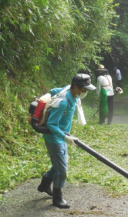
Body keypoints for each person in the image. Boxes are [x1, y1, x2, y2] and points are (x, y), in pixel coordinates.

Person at [36, 73, 95, 209]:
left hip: (62, 136)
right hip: (55, 138)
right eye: (85, 89)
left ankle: (44, 184)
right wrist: (65, 137)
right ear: (76, 87)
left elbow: (53, 91)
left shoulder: (71, 93)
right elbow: (51, 125)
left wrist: (65, 136)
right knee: (62, 168)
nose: (86, 92)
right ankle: (57, 198)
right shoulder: (63, 102)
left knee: (60, 163)